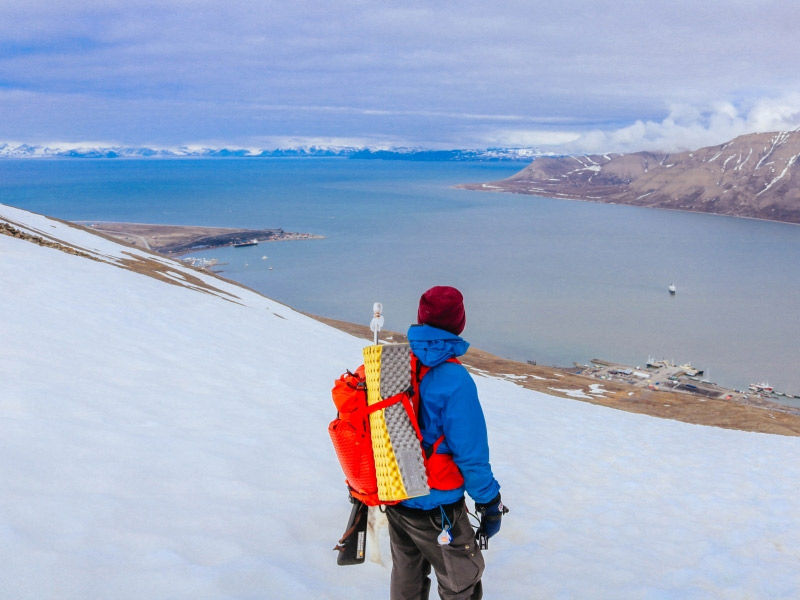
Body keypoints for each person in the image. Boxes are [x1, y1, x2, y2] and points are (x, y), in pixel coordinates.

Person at [385, 285, 506, 600]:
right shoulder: (456, 381)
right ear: (459, 323)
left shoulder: (393, 363)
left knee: (407, 578)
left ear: (420, 318)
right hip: (438, 506)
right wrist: (489, 503)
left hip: (396, 494)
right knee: (461, 581)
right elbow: (471, 455)